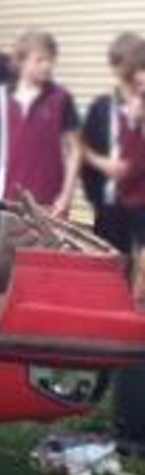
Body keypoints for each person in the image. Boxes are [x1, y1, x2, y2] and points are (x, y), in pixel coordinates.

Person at [0, 31, 80, 218]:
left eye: (50, 60)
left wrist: (66, 197)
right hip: (6, 200)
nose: (47, 66)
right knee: (6, 247)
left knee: (46, 248)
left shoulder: (61, 98)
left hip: (50, 203)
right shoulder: (1, 98)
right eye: (40, 60)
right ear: (21, 62)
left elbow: (74, 151)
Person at [83, 41, 145, 299]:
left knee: (141, 261)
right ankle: (112, 307)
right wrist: (101, 165)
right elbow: (83, 148)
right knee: (111, 260)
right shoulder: (102, 106)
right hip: (110, 200)